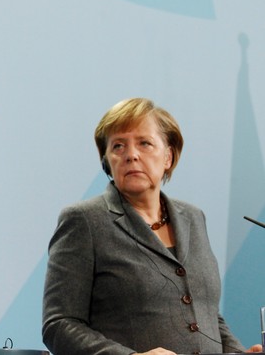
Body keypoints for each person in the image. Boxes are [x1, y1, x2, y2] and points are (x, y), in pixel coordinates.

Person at [42, 98, 262, 355]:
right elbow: (59, 325)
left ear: (168, 156)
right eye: (118, 146)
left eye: (144, 143)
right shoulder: (84, 221)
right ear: (107, 161)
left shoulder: (194, 218)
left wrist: (238, 353)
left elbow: (206, 314)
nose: (131, 155)